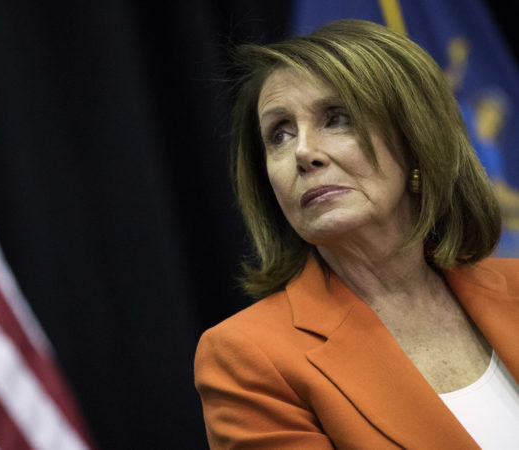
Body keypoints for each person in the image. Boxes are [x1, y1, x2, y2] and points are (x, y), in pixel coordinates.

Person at [194, 19, 519, 449]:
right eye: (280, 134)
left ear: (415, 142)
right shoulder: (248, 358)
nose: (303, 152)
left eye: (337, 118)